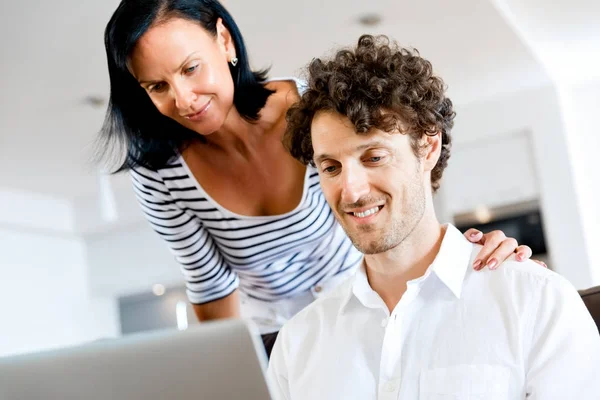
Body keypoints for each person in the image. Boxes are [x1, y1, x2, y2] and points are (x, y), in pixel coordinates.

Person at [100, 0, 538, 356]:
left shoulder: (313, 109)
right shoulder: (161, 174)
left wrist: (467, 260)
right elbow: (212, 288)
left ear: (225, 40)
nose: (183, 99)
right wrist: (238, 372)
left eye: (190, 68)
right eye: (156, 86)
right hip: (276, 335)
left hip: (368, 301)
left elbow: (392, 202)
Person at [267, 34, 600, 399]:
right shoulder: (296, 345)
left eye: (374, 157)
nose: (350, 190)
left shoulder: (536, 301)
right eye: (330, 167)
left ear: (428, 147)